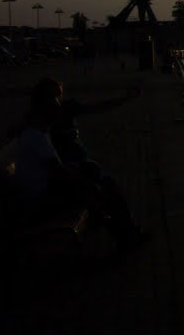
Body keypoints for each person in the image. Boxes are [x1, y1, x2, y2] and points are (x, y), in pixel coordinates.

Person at [16, 78, 145, 252]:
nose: (58, 107)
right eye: (55, 101)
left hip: (44, 195)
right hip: (41, 202)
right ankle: (127, 235)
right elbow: (60, 174)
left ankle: (127, 235)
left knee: (101, 183)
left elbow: (59, 172)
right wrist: (88, 187)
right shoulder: (37, 137)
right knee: (103, 187)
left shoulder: (37, 133)